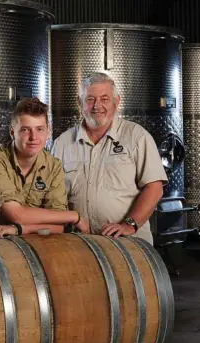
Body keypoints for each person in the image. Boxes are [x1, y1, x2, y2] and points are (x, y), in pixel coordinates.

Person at [50, 72, 167, 245]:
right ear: (79, 103)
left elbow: (154, 187)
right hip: (80, 243)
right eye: (90, 99)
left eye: (104, 99)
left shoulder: (136, 136)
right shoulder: (62, 143)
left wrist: (130, 224)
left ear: (116, 101)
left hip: (129, 242)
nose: (97, 106)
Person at [0, 97, 89, 239]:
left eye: (40, 129)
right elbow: (16, 214)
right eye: (25, 130)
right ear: (12, 132)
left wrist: (20, 229)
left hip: (36, 246)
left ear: (48, 132)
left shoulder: (53, 166)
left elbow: (59, 225)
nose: (33, 137)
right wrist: (73, 216)